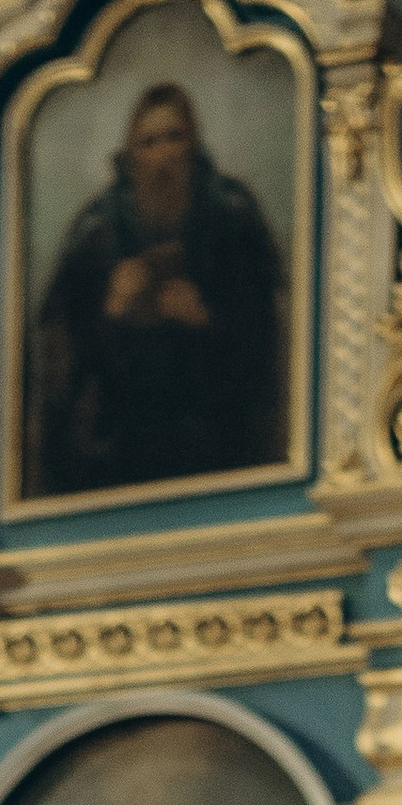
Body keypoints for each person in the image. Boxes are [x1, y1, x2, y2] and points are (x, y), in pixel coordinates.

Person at [30, 77, 286, 497]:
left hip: (220, 449)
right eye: (149, 142)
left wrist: (207, 319)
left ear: (193, 145)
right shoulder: (96, 233)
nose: (164, 155)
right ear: (132, 155)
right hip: (118, 451)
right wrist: (110, 310)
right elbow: (61, 364)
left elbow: (264, 343)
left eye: (174, 137)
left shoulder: (232, 217)